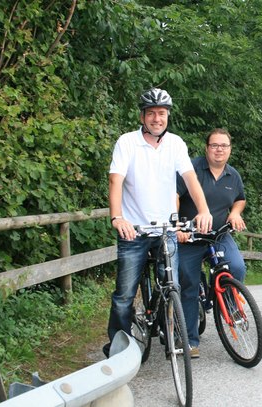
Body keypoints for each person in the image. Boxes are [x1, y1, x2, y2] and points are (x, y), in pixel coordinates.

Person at [104, 88, 212, 358]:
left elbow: (189, 178)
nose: (156, 118)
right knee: (124, 295)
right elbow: (115, 180)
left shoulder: (175, 143)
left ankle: (171, 332)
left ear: (167, 116)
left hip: (166, 231)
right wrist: (118, 217)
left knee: (171, 285)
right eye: (151, 113)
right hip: (134, 230)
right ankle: (119, 350)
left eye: (161, 113)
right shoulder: (127, 142)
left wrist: (204, 210)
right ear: (142, 116)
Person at [176, 128, 247, 359]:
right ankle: (189, 340)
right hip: (190, 237)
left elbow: (240, 199)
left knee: (236, 267)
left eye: (224, 146)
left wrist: (235, 213)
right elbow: (174, 196)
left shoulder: (232, 175)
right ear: (206, 148)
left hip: (218, 234)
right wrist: (177, 225)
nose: (219, 149)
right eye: (214, 145)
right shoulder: (192, 169)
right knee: (188, 282)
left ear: (230, 149)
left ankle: (227, 303)